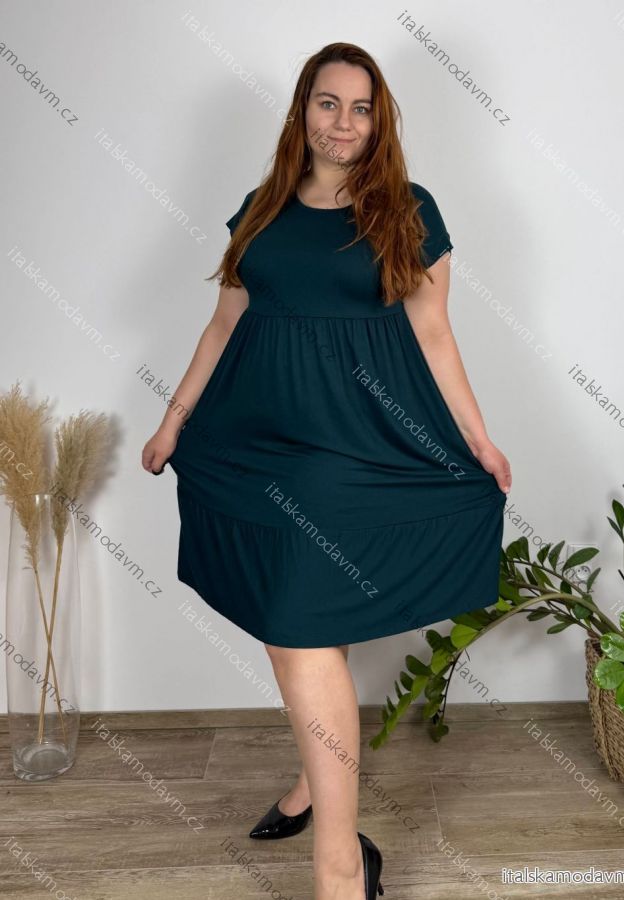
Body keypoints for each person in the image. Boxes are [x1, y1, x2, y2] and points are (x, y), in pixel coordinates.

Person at [142, 41, 511, 900]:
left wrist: (480, 440)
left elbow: (433, 335)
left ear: (378, 121)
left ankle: (341, 864)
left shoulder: (407, 209)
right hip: (250, 441)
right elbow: (224, 323)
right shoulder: (262, 207)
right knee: (300, 625)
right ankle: (319, 775)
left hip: (354, 447)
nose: (342, 122)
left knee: (298, 628)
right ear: (302, 110)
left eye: (360, 107)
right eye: (326, 102)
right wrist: (172, 420)